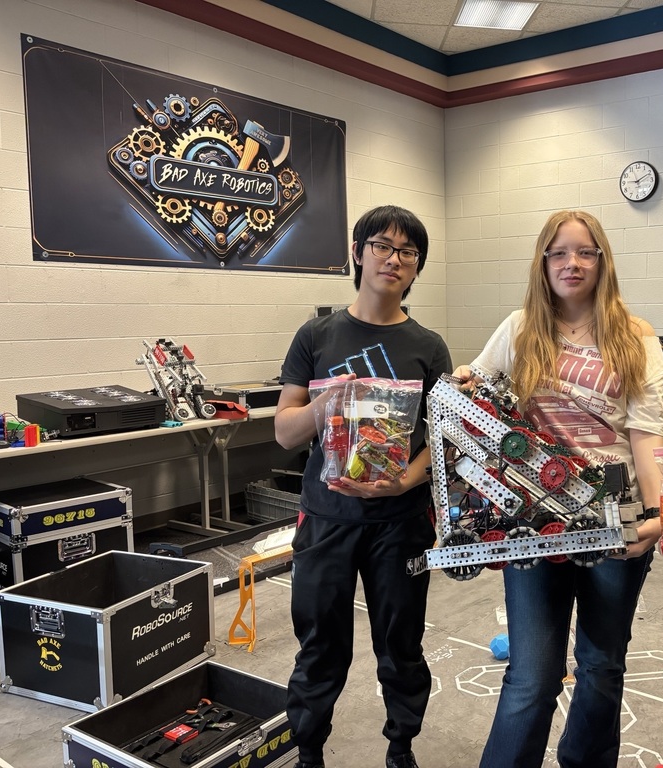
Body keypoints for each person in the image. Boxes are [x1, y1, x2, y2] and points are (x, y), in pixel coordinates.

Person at [453, 210, 663, 768]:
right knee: (532, 674)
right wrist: (461, 382)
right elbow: (476, 395)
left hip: (613, 519)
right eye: (558, 252)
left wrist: (656, 513)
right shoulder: (520, 328)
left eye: (585, 252)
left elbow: (646, 437)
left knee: (601, 665)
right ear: (542, 263)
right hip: (533, 521)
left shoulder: (636, 337)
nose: (572, 263)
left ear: (603, 261)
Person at [276, 205, 452, 768]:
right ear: (357, 253)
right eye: (382, 246)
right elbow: (284, 432)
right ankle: (308, 752)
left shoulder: (428, 346)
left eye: (407, 252)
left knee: (401, 645)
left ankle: (400, 748)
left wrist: (406, 478)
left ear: (416, 267)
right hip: (326, 518)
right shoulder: (316, 336)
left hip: (400, 523)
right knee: (320, 643)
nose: (393, 259)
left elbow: (444, 441)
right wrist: (324, 404)